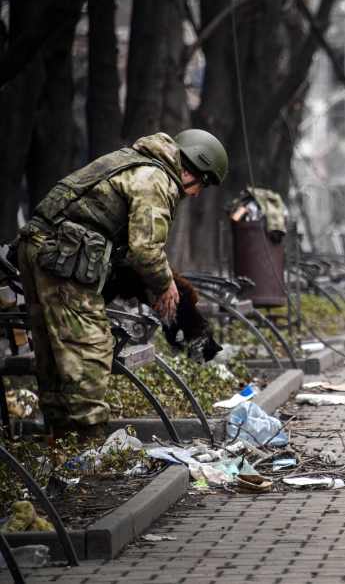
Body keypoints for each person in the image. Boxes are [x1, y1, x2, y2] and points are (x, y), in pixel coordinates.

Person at [17, 129, 228, 439]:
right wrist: (164, 284)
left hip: (41, 248)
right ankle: (89, 444)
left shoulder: (135, 162)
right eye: (202, 184)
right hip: (62, 256)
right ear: (190, 169)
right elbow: (145, 250)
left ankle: (59, 439)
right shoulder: (157, 179)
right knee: (89, 348)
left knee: (53, 352)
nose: (196, 194)